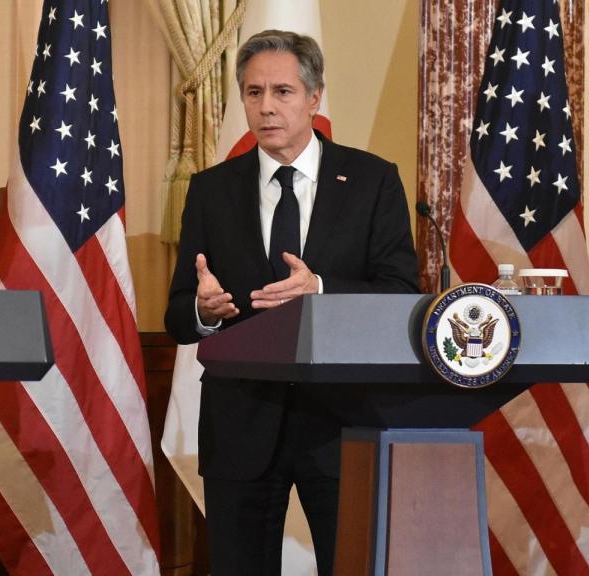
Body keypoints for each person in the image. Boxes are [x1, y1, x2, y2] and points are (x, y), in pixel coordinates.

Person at [164, 30, 419, 575]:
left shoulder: (373, 180)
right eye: (253, 93)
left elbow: (401, 294)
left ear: (314, 97)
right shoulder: (212, 190)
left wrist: (321, 289)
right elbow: (179, 312)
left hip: (342, 420)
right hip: (241, 421)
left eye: (282, 91)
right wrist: (205, 312)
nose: (266, 107)